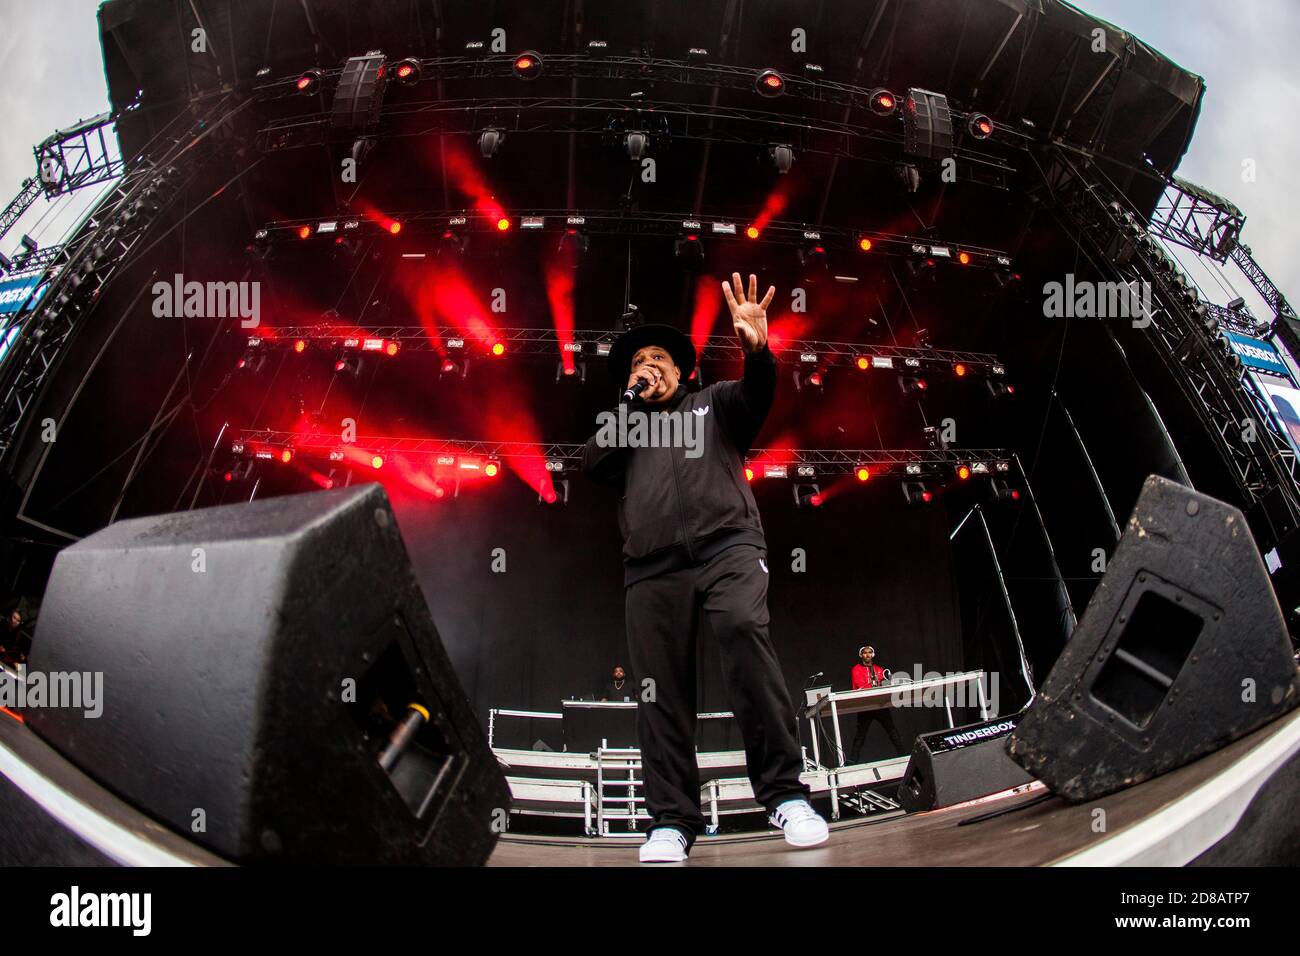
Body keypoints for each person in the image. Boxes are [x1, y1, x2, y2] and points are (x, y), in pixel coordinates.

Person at [582, 272, 828, 863]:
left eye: (658, 357)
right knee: (659, 690)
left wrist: (757, 350)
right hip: (651, 567)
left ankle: (785, 796)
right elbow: (594, 462)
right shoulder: (630, 424)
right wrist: (627, 402)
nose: (648, 364)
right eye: (638, 360)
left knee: (744, 631)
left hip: (728, 546)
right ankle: (671, 821)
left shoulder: (713, 404)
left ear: (681, 369)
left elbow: (758, 395)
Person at [847, 645, 905, 763]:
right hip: (865, 705)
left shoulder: (879, 669)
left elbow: (885, 683)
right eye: (865, 653)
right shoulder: (856, 669)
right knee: (860, 736)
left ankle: (904, 755)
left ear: (872, 655)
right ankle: (852, 762)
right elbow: (860, 686)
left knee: (892, 731)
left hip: (879, 704)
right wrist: (876, 685)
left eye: (869, 653)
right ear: (861, 655)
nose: (867, 655)